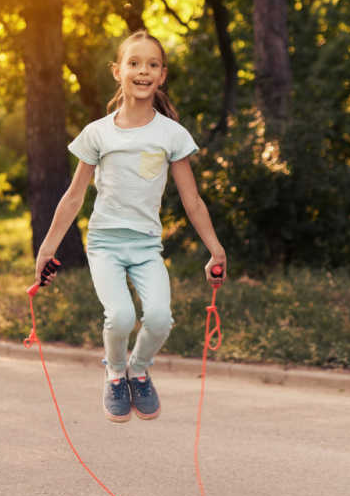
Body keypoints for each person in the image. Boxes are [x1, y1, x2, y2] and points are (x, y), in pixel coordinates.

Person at [33, 30, 227, 423]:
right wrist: (47, 248)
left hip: (146, 247)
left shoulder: (171, 134)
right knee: (120, 317)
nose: (143, 71)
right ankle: (116, 373)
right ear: (117, 71)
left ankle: (139, 369)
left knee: (159, 318)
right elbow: (73, 197)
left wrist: (215, 249)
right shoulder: (98, 133)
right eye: (134, 63)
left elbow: (192, 200)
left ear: (162, 75)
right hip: (104, 244)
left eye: (152, 65)